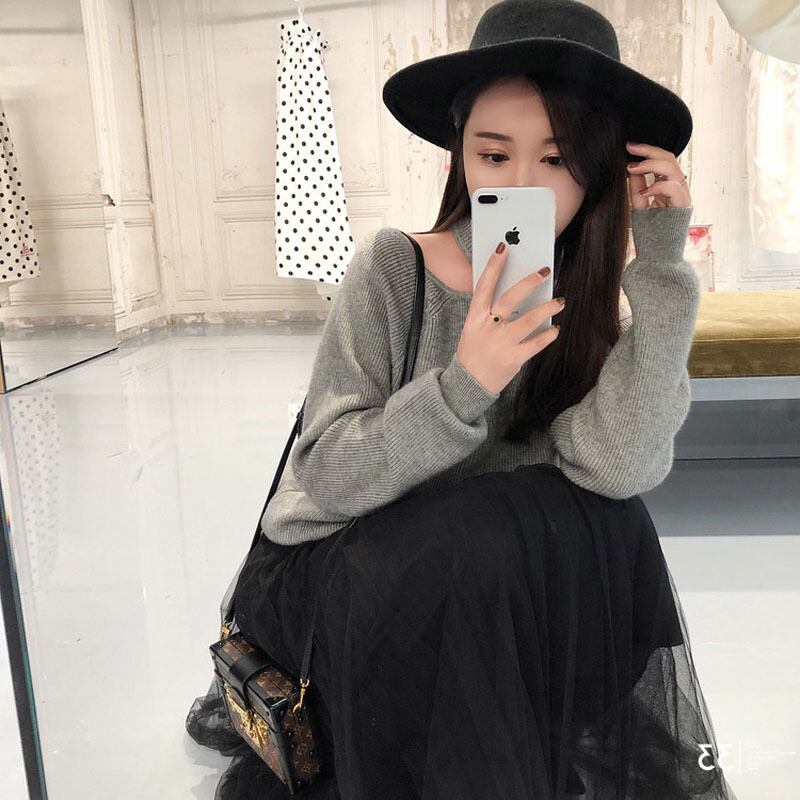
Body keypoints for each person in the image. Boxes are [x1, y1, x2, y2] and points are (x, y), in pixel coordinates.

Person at [186, 1, 740, 798]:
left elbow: (617, 468)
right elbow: (327, 478)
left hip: (492, 606)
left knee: (606, 521)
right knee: (476, 539)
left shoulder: (583, 301)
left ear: (600, 169)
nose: (519, 185)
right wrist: (464, 384)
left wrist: (659, 268)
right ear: (459, 158)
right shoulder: (395, 269)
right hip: (355, 585)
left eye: (556, 159)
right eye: (493, 153)